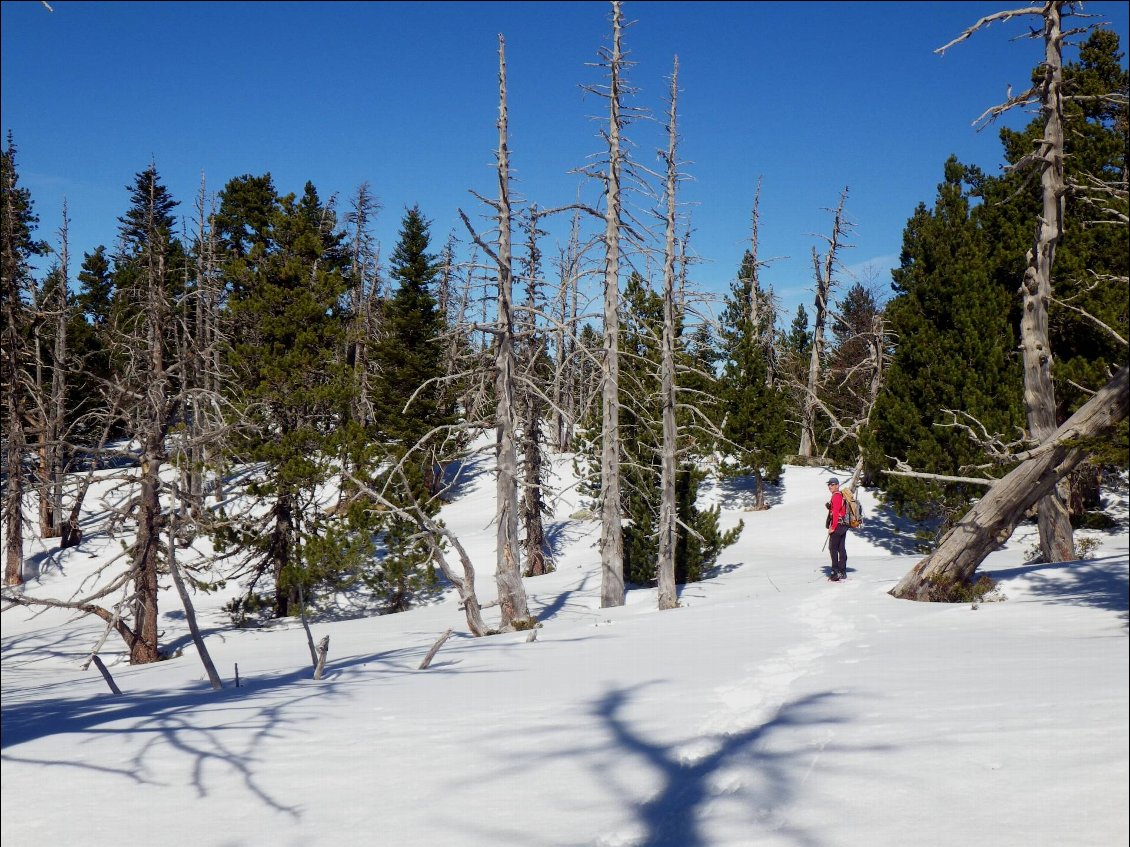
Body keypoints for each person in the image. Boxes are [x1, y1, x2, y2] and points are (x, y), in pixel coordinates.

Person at [825, 477, 848, 581]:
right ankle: (842, 571)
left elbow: (835, 514)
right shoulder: (839, 495)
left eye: (832, 484)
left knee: (832, 548)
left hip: (838, 526)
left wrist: (832, 528)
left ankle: (836, 572)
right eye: (829, 484)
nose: (830, 486)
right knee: (841, 548)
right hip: (843, 526)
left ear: (837, 485)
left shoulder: (836, 496)